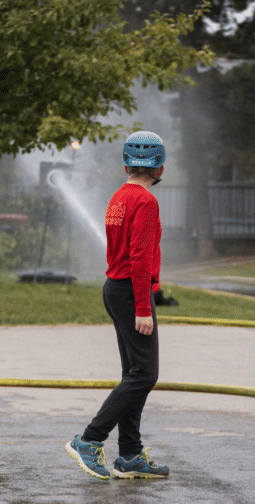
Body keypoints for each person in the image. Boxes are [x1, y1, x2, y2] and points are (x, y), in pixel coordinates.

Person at [65, 131, 169, 480]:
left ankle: (130, 454)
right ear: (161, 169)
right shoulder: (147, 202)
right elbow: (139, 259)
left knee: (133, 374)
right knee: (145, 375)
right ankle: (90, 440)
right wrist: (144, 306)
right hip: (130, 292)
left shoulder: (119, 197)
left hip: (116, 288)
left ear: (126, 164)